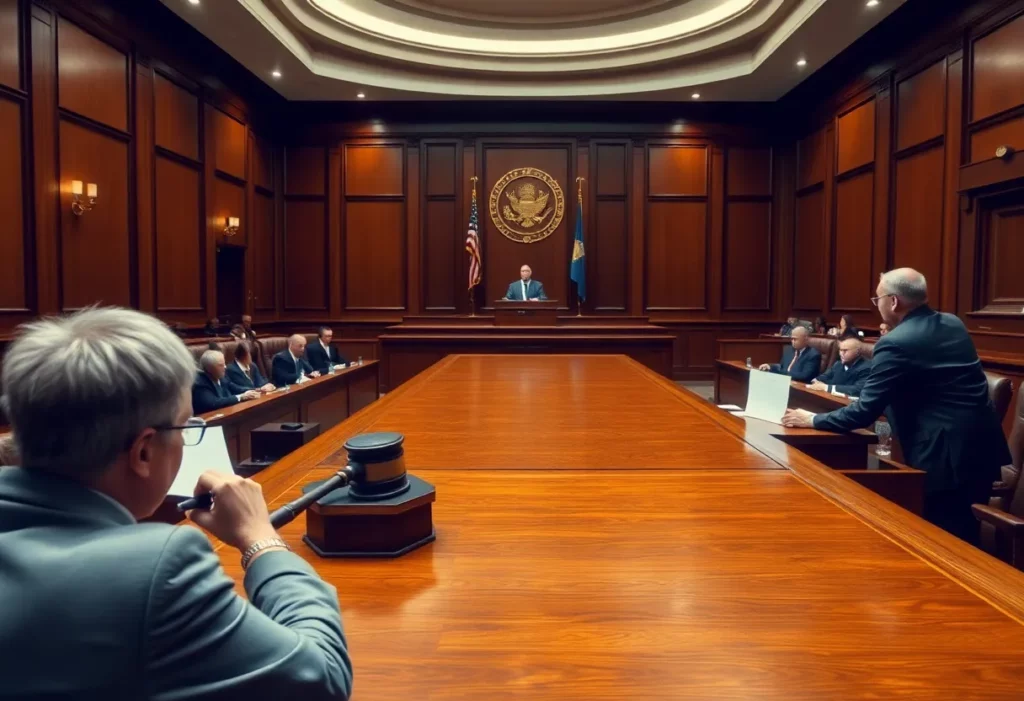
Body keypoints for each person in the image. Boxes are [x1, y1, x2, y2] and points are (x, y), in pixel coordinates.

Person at [0, 307, 352, 699]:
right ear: (144, 452)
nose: (186, 440)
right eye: (185, 425)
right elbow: (321, 678)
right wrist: (260, 539)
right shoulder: (152, 570)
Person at [783, 268, 1011, 544]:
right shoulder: (953, 323)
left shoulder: (895, 343)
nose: (875, 304)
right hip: (981, 448)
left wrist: (813, 420)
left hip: (944, 459)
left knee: (943, 541)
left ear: (893, 302)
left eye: (876, 298)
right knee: (966, 535)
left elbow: (865, 410)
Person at [192, 349, 260, 414]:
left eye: (224, 364)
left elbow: (235, 388)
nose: (225, 367)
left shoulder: (221, 377)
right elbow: (213, 403)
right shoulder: (200, 382)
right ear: (209, 368)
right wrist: (240, 397)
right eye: (221, 365)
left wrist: (257, 390)